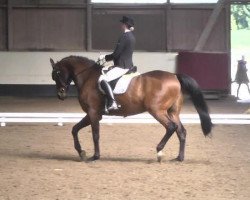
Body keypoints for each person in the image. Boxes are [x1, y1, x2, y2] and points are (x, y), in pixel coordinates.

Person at [98, 16, 136, 111]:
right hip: (127, 64)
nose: (121, 25)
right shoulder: (131, 36)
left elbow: (116, 54)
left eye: (122, 23)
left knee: (102, 79)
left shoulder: (124, 37)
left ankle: (112, 102)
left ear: (125, 25)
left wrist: (104, 57)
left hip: (122, 66)